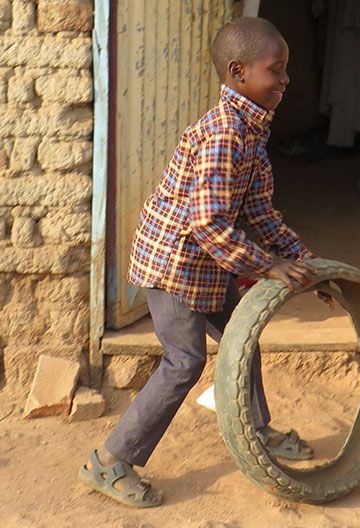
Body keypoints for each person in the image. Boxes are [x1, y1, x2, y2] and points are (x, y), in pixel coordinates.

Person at [80, 17, 325, 508]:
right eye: (275, 71)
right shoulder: (224, 136)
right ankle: (109, 461)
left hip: (207, 265)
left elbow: (259, 211)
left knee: (242, 333)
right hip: (173, 264)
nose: (285, 80)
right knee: (183, 362)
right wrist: (269, 266)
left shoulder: (250, 131)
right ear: (239, 72)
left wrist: (306, 262)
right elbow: (209, 224)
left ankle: (256, 430)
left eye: (285, 71)